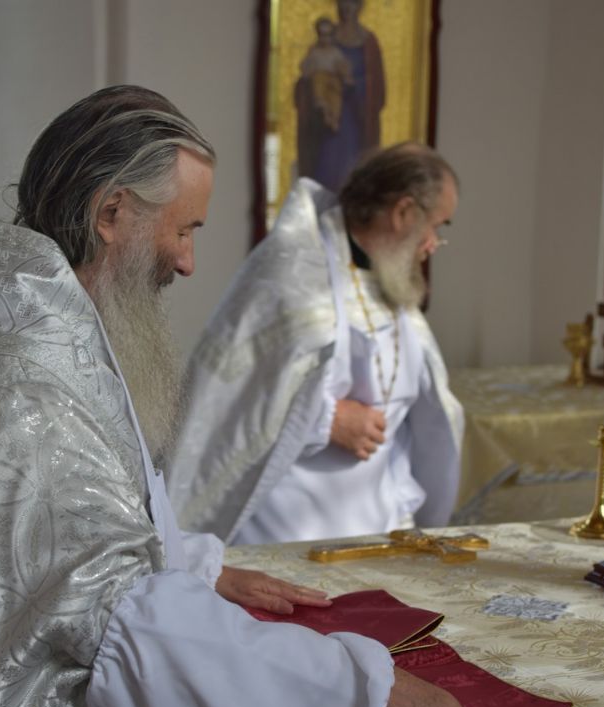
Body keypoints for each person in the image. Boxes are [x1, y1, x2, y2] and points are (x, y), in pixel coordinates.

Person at [0, 86, 477, 707]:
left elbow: (99, 532)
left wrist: (200, 565)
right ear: (112, 213)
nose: (191, 262)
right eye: (183, 229)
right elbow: (119, 632)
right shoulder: (26, 375)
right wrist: (369, 692)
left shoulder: (41, 316)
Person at [170, 142, 463, 546]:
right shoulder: (294, 272)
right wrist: (325, 419)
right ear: (404, 212)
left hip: (382, 523)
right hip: (289, 534)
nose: (433, 243)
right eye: (436, 227)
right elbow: (236, 396)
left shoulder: (390, 276)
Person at [295, 0, 386, 190]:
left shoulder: (369, 43)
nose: (346, 8)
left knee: (351, 170)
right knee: (327, 165)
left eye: (352, 3)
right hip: (327, 122)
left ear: (360, 6)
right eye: (342, 2)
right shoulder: (326, 38)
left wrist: (351, 83)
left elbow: (376, 87)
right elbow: (308, 77)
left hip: (355, 117)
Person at [298, 16, 354, 133]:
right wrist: (307, 72)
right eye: (322, 35)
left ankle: (333, 119)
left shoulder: (336, 52)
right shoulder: (314, 51)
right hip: (320, 77)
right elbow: (306, 66)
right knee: (318, 82)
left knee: (336, 98)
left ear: (332, 36)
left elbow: (343, 65)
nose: (325, 39)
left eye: (328, 35)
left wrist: (346, 76)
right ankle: (321, 104)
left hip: (333, 80)